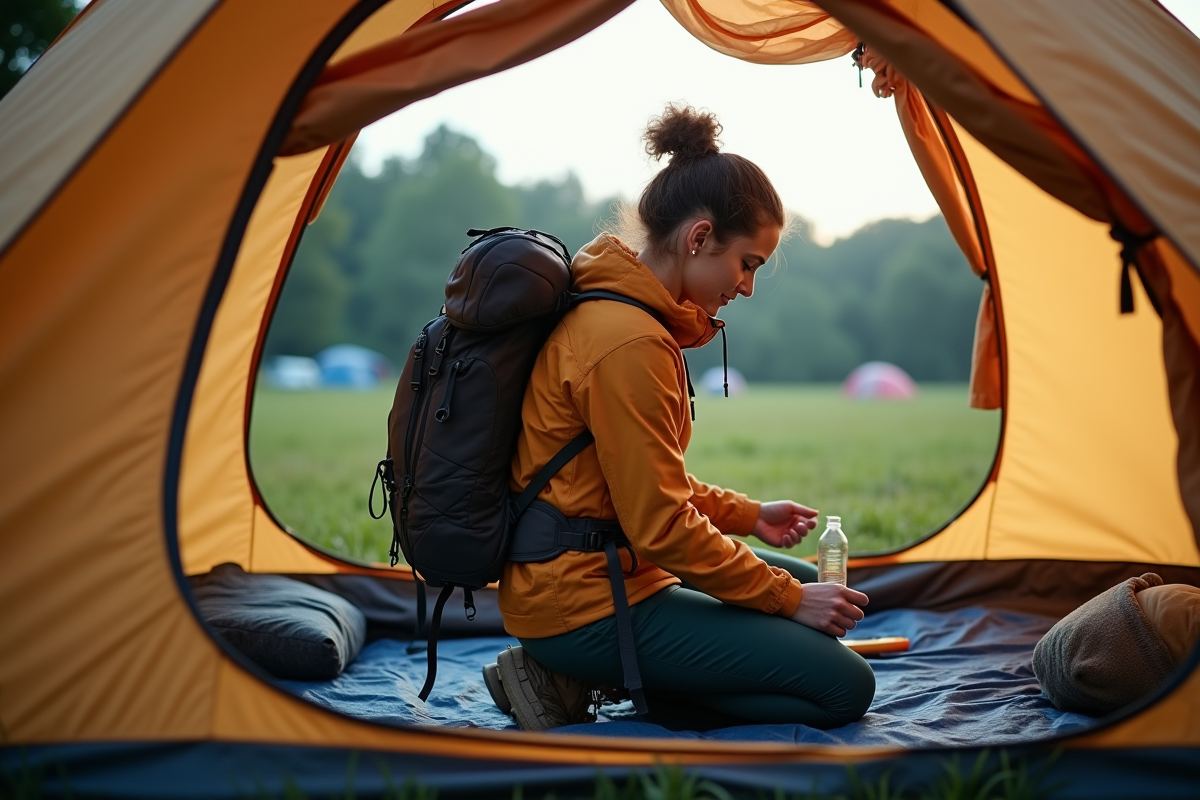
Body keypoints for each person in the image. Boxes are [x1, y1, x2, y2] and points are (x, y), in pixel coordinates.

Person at [492, 105, 875, 731]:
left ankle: (618, 674)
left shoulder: (624, 315)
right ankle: (579, 678)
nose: (748, 287)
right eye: (748, 263)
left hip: (612, 572)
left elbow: (640, 488)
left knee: (814, 588)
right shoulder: (628, 342)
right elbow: (662, 526)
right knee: (843, 687)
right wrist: (786, 602)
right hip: (583, 603)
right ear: (699, 238)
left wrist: (752, 517)